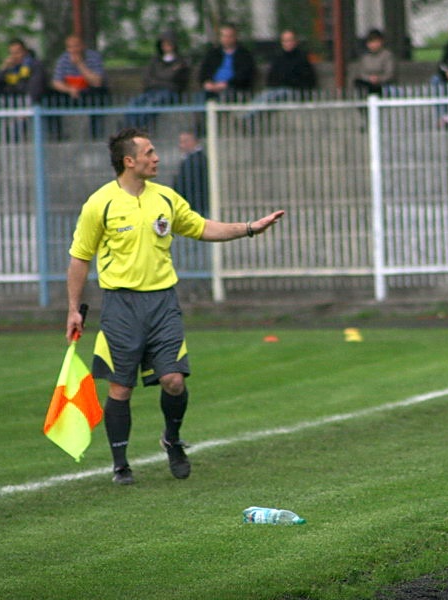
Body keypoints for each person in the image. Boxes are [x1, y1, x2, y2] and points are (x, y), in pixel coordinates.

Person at [66, 127, 284, 485]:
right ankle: (121, 464)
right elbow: (79, 258)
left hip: (163, 302)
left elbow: (201, 227)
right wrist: (74, 308)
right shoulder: (99, 204)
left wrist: (248, 228)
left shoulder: (165, 198)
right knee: (121, 387)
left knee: (174, 381)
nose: (157, 158)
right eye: (149, 152)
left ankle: (172, 439)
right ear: (129, 161)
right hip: (120, 305)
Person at [48, 34, 110, 139]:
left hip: (90, 91)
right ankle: (57, 136)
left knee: (99, 96)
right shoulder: (63, 59)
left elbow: (97, 82)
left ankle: (96, 136)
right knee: (50, 98)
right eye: (70, 47)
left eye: (76, 46)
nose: (73, 50)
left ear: (83, 46)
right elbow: (56, 82)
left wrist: (80, 64)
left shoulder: (94, 57)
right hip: (71, 92)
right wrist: (69, 89)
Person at [125, 32, 190, 129]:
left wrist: (160, 78)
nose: (166, 47)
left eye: (168, 44)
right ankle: (132, 128)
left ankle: (141, 128)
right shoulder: (155, 60)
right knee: (134, 103)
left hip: (169, 92)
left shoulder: (180, 61)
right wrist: (166, 75)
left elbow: (173, 78)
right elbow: (147, 78)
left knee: (151, 105)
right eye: (163, 45)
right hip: (151, 91)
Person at [198, 23, 256, 102]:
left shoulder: (244, 55)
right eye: (224, 36)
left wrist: (226, 84)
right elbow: (203, 71)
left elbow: (244, 75)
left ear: (235, 37)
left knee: (226, 95)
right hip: (212, 87)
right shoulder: (213, 54)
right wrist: (207, 83)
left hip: (233, 88)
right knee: (201, 97)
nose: (227, 39)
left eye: (230, 36)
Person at [350, 28, 397, 97]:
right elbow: (360, 72)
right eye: (371, 42)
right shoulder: (364, 57)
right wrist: (369, 78)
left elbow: (390, 73)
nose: (373, 45)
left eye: (376, 42)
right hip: (368, 82)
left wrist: (378, 78)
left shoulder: (387, 56)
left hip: (382, 83)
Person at [173, 131, 208, 217]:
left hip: (196, 206)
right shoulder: (190, 158)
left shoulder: (196, 159)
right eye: (181, 142)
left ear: (194, 141)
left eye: (185, 141)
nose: (181, 145)